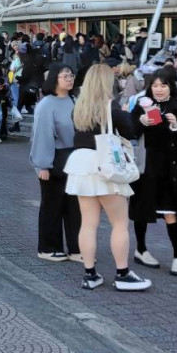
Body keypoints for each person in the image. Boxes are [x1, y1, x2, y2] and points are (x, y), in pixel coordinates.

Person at [68, 64, 151, 292]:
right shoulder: (111, 107)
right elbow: (130, 131)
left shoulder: (79, 107)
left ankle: (89, 274)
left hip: (81, 164)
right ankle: (122, 273)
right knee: (119, 223)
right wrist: (134, 115)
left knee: (88, 223)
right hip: (105, 164)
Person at [128, 69, 177, 276]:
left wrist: (176, 126)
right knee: (143, 210)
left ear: (170, 87)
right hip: (146, 166)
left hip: (172, 168)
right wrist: (141, 123)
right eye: (155, 85)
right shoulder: (141, 106)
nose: (158, 90)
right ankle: (140, 249)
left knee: (170, 212)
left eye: (163, 85)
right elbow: (130, 130)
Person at [29, 64, 81, 263]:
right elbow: (42, 136)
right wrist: (42, 165)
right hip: (55, 158)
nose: (69, 78)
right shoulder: (46, 105)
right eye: (64, 75)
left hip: (75, 158)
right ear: (54, 79)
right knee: (52, 205)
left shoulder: (74, 99)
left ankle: (76, 247)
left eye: (71, 75)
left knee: (75, 206)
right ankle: (48, 247)